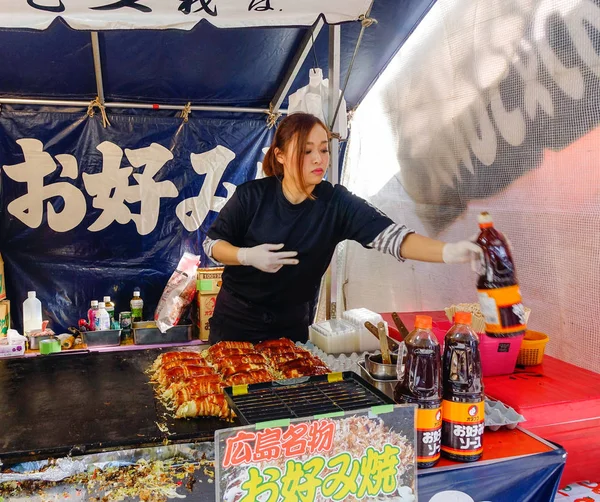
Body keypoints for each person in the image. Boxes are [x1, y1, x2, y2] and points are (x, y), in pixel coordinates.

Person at [203, 113, 481, 344]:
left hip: (291, 326)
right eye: (306, 150)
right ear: (280, 155)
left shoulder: (336, 202)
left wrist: (450, 251)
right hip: (237, 321)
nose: (318, 159)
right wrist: (246, 256)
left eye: (324, 149)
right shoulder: (252, 195)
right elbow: (212, 245)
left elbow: (392, 237)